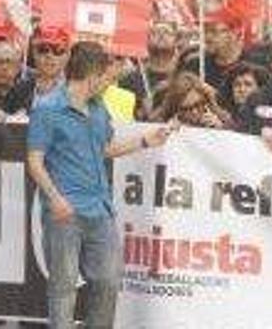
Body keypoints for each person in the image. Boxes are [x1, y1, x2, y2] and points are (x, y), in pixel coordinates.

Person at [26, 41, 176, 329]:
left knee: (109, 280)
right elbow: (35, 161)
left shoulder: (98, 108)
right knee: (63, 285)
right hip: (65, 210)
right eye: (107, 76)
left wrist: (146, 140)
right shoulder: (47, 108)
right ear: (92, 74)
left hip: (100, 208)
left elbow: (106, 148)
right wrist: (55, 198)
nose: (110, 82)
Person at [152, 71, 232, 129]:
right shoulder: (160, 123)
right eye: (186, 109)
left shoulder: (223, 119)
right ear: (175, 109)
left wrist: (222, 129)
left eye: (199, 104)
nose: (195, 112)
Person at [28, 26, 70, 108]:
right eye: (43, 49)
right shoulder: (20, 86)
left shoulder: (74, 92)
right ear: (34, 53)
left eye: (57, 50)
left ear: (67, 55)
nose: (49, 55)